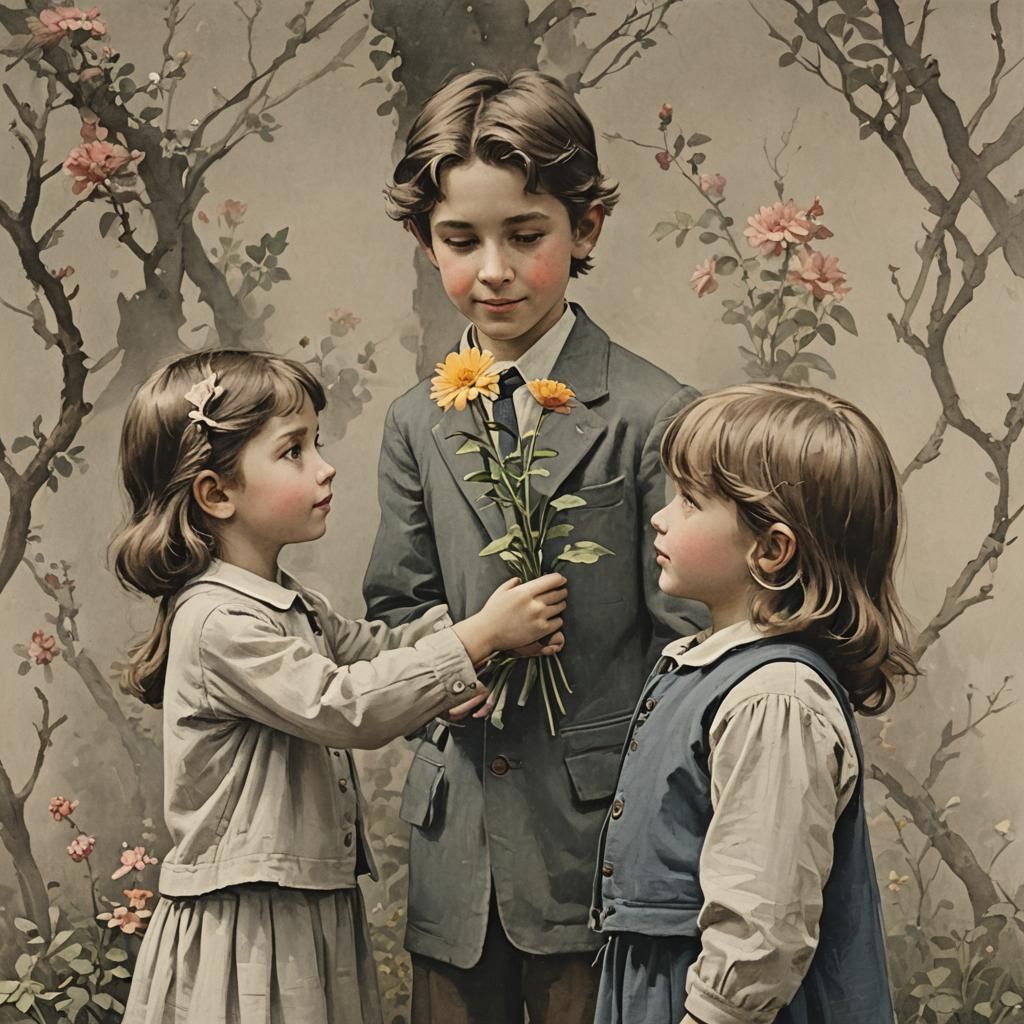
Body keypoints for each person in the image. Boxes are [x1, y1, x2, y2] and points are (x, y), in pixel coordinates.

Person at [363, 68, 706, 1023]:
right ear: (424, 241)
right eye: (460, 240)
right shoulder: (414, 423)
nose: (493, 271)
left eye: (526, 235)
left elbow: (688, 639)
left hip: (594, 841)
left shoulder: (652, 413)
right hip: (457, 844)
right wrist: (457, 653)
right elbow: (396, 607)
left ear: (585, 228)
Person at [110, 350, 568, 1024]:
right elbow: (347, 705)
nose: (323, 467)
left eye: (315, 444)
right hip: (249, 925)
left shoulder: (290, 604)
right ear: (216, 493)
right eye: (293, 451)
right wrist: (480, 639)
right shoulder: (217, 620)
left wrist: (476, 632)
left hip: (300, 907)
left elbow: (378, 651)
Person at [592, 382, 916, 1024]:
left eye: (689, 502)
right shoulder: (713, 667)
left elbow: (761, 926)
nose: (661, 516)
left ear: (770, 549)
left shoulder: (775, 699)